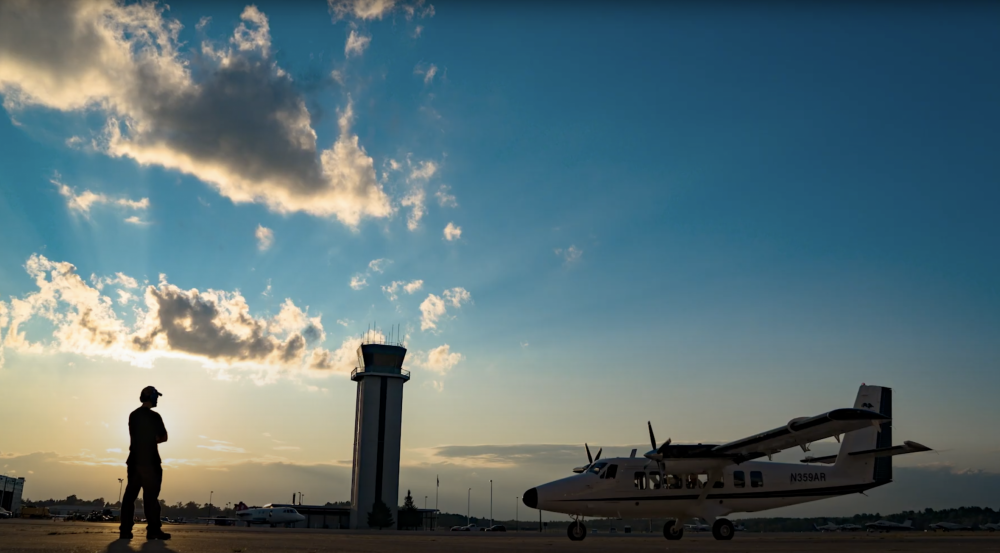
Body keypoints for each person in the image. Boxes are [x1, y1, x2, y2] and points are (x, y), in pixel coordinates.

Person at [119, 386, 171, 541]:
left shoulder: (133, 415)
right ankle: (154, 530)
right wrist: (151, 439)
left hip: (134, 460)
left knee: (130, 496)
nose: (157, 400)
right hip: (150, 462)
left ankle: (125, 530)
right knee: (150, 497)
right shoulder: (155, 416)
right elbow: (163, 437)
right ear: (151, 396)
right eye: (156, 396)